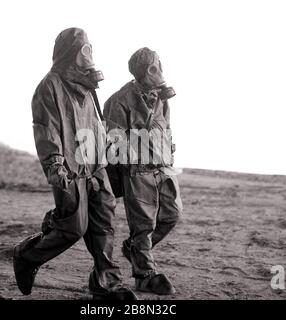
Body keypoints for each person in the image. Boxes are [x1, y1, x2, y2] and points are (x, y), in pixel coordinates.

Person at [13, 27, 136, 300]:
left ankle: (106, 285)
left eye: (89, 46)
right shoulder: (50, 86)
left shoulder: (88, 86)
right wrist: (55, 164)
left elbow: (96, 125)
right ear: (70, 51)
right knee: (73, 227)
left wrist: (112, 153)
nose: (88, 52)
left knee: (103, 225)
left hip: (97, 167)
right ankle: (27, 256)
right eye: (82, 47)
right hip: (69, 170)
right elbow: (46, 128)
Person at [103, 47, 183, 295]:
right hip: (137, 171)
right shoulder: (119, 101)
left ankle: (135, 249)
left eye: (160, 65)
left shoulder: (162, 99)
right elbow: (113, 143)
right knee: (144, 225)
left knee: (171, 215)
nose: (160, 71)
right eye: (155, 67)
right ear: (147, 70)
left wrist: (167, 153)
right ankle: (145, 273)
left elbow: (166, 128)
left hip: (164, 169)